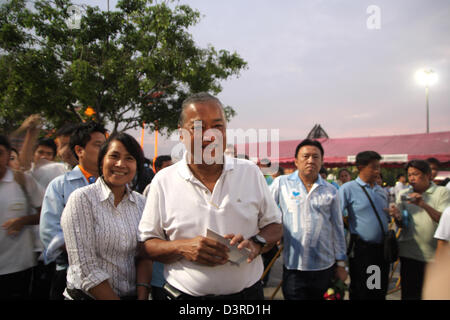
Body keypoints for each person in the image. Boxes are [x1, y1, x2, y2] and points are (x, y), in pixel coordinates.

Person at [139, 92, 282, 300]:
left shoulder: (250, 172)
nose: (210, 135)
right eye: (198, 127)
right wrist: (182, 247)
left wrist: (255, 243)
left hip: (247, 297)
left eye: (218, 126)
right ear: (181, 134)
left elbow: (275, 225)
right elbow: (145, 245)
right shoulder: (163, 180)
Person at [61, 133, 152, 300]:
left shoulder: (141, 203)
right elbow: (84, 267)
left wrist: (142, 295)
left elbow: (143, 255)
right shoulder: (82, 199)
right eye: (114, 156)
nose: (120, 164)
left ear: (137, 166)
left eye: (129, 158)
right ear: (102, 160)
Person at [270, 139, 347, 300]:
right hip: (293, 267)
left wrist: (341, 264)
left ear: (322, 161)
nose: (310, 160)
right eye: (306, 156)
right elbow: (265, 211)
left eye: (315, 157)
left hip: (324, 266)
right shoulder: (281, 184)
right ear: (296, 161)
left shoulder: (331, 191)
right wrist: (275, 232)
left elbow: (338, 229)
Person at [39, 122, 107, 300]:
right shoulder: (60, 185)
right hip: (71, 274)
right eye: (99, 145)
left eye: (106, 146)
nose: (105, 151)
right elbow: (50, 233)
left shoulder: (115, 184)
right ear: (79, 150)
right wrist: (87, 251)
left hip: (110, 274)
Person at [389, 160, 450, 300]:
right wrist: (397, 217)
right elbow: (402, 225)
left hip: (434, 256)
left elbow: (445, 221)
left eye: (415, 174)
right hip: (409, 254)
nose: (411, 178)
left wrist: (423, 204)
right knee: (410, 294)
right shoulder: (404, 193)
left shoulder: (442, 193)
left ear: (428, 175)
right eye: (409, 175)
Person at [339, 151, 390, 300]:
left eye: (379, 167)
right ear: (360, 167)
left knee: (378, 290)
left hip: (382, 250)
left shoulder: (381, 191)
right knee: (363, 290)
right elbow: (337, 216)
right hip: (363, 250)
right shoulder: (348, 189)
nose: (377, 171)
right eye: (374, 167)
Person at [0, 135, 44, 299]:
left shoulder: (22, 181)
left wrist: (22, 221)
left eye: (0, 153)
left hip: (18, 267)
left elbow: (46, 214)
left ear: (8, 155)